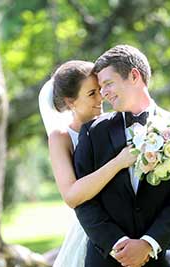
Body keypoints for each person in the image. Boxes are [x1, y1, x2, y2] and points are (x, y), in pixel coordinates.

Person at [73, 45, 170, 267]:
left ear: (134, 76)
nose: (103, 93)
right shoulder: (92, 132)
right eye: (100, 87)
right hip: (108, 258)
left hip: (165, 256)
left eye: (108, 83)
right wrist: (117, 243)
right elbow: (84, 201)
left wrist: (149, 243)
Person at [38, 60, 138, 267]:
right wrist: (118, 162)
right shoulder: (62, 137)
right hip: (93, 231)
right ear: (71, 102)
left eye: (101, 90)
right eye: (92, 93)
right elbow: (71, 195)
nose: (101, 97)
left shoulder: (117, 123)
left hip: (133, 227)